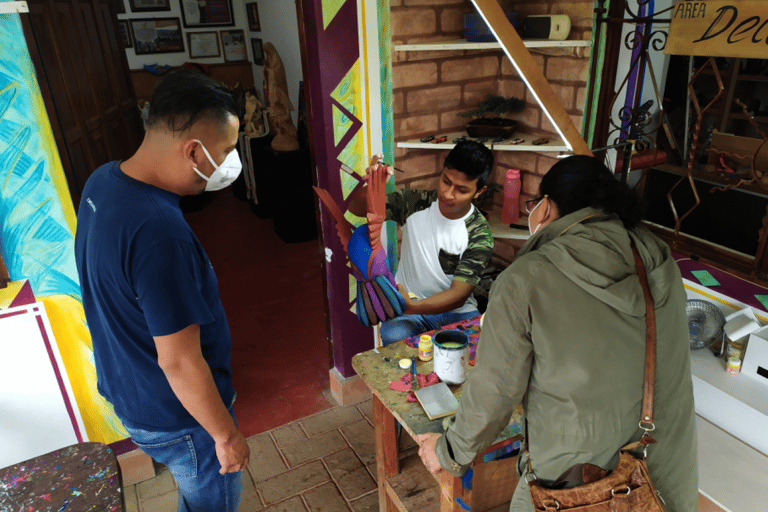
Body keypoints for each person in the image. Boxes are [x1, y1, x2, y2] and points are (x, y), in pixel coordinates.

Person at [416, 155, 698, 511]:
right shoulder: (660, 258)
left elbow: (495, 393)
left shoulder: (526, 279)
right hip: (662, 474)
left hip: (579, 485)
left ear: (546, 208)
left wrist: (447, 451)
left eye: (533, 205)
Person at [74, 69, 250, 512]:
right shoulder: (160, 233)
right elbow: (179, 361)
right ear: (193, 150)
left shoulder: (102, 181)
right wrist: (226, 435)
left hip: (130, 394)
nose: (230, 162)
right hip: (179, 417)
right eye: (227, 150)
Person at [348, 140, 495, 345]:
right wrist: (372, 186)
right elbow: (356, 208)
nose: (448, 193)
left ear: (479, 191)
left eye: (462, 190)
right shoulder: (414, 203)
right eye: (446, 181)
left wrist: (411, 306)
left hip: (456, 311)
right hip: (408, 307)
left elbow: (458, 295)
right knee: (394, 338)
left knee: (470, 351)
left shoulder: (479, 233)